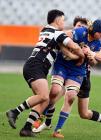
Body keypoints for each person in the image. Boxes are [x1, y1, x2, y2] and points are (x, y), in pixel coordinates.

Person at [33, 18, 101, 138]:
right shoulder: (79, 32)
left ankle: (56, 129)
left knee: (74, 102)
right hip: (63, 65)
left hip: (78, 72)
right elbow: (60, 37)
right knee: (54, 91)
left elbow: (97, 61)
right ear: (93, 30)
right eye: (100, 32)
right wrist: (71, 53)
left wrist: (91, 54)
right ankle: (42, 120)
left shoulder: (98, 41)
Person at [6, 9, 85, 137]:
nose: (64, 23)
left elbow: (67, 53)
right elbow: (74, 47)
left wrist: (75, 57)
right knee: (43, 97)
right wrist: (82, 56)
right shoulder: (57, 33)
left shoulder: (46, 30)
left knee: (44, 101)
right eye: (63, 20)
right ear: (58, 19)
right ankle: (14, 112)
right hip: (36, 65)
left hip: (36, 66)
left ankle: (26, 128)